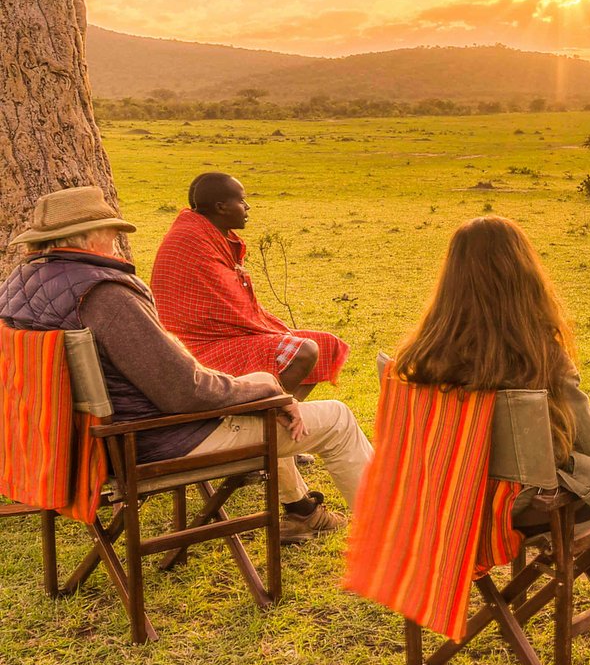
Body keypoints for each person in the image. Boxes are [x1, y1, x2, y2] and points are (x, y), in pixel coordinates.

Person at [0, 186, 372, 543]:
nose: (114, 242)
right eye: (111, 232)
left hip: (73, 443)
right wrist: (270, 393)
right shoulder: (104, 293)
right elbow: (183, 391)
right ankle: (391, 538)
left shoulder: (18, 286)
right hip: (153, 441)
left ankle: (301, 512)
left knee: (261, 386)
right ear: (92, 235)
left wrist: (262, 387)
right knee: (335, 419)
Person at [390, 216, 590, 592]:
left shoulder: (422, 355)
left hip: (446, 501)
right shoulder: (538, 355)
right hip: (516, 512)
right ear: (523, 276)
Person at [150, 173, 347, 400]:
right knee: (304, 351)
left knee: (326, 344)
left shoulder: (207, 233)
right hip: (198, 346)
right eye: (242, 201)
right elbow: (225, 307)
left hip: (222, 335)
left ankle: (283, 412)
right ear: (221, 207)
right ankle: (266, 416)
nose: (247, 207)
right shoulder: (192, 239)